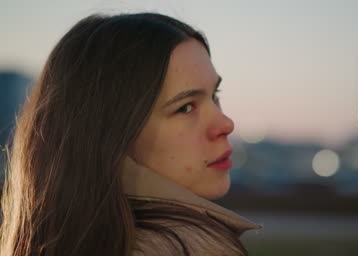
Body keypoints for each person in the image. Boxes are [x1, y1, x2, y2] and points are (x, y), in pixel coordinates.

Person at [0, 13, 261, 256]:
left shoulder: (59, 238)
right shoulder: (187, 246)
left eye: (214, 96)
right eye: (185, 107)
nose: (225, 124)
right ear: (111, 134)